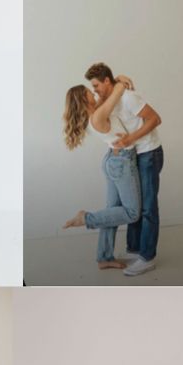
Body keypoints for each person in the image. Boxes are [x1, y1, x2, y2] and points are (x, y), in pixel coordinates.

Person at [85, 64, 163, 277]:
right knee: (135, 205)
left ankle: (147, 258)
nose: (95, 90)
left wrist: (130, 139)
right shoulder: (110, 99)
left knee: (147, 208)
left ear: (106, 81)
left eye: (96, 85)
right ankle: (137, 249)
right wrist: (119, 79)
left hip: (148, 153)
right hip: (133, 155)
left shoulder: (128, 97)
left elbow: (155, 119)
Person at [62, 76, 141, 270]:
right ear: (83, 99)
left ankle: (104, 257)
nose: (93, 91)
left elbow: (110, 95)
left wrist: (117, 79)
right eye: (89, 91)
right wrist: (120, 82)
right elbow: (116, 94)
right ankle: (86, 218)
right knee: (132, 213)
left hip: (114, 161)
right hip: (121, 161)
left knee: (111, 212)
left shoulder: (95, 112)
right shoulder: (97, 116)